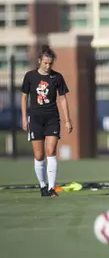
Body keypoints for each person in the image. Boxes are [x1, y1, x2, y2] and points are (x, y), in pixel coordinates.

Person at [20, 45, 73, 198]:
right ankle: (43, 186)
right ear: (39, 61)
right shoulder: (30, 76)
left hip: (52, 118)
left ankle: (51, 188)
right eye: (45, 63)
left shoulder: (57, 77)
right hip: (35, 119)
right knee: (38, 155)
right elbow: (24, 97)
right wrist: (24, 118)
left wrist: (67, 120)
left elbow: (62, 99)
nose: (48, 66)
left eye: (50, 63)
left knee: (51, 152)